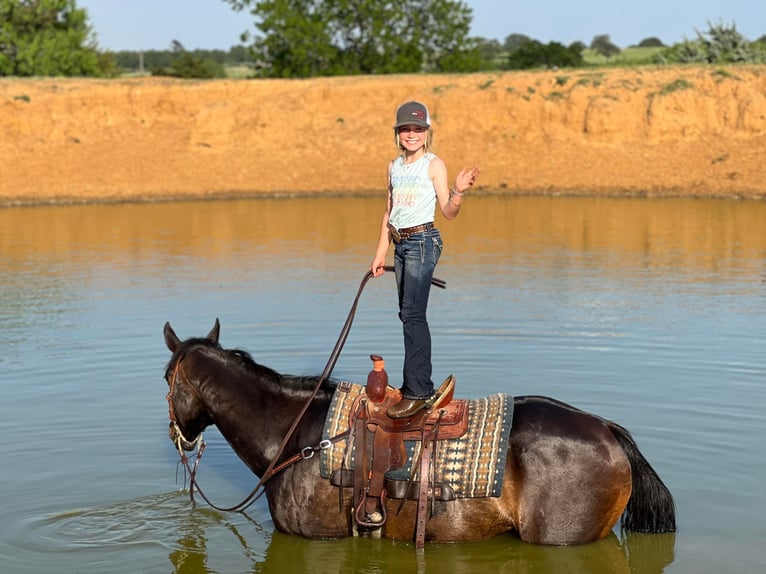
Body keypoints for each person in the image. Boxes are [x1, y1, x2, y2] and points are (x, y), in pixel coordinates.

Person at [369, 101, 479, 419]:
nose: (412, 134)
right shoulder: (394, 167)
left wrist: (458, 191)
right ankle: (415, 385)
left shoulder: (433, 165)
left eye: (418, 129)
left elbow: (448, 211)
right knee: (406, 315)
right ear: (398, 133)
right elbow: (389, 212)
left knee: (414, 316)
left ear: (427, 132)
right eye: (406, 129)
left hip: (422, 242)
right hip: (401, 244)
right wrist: (380, 253)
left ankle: (418, 391)